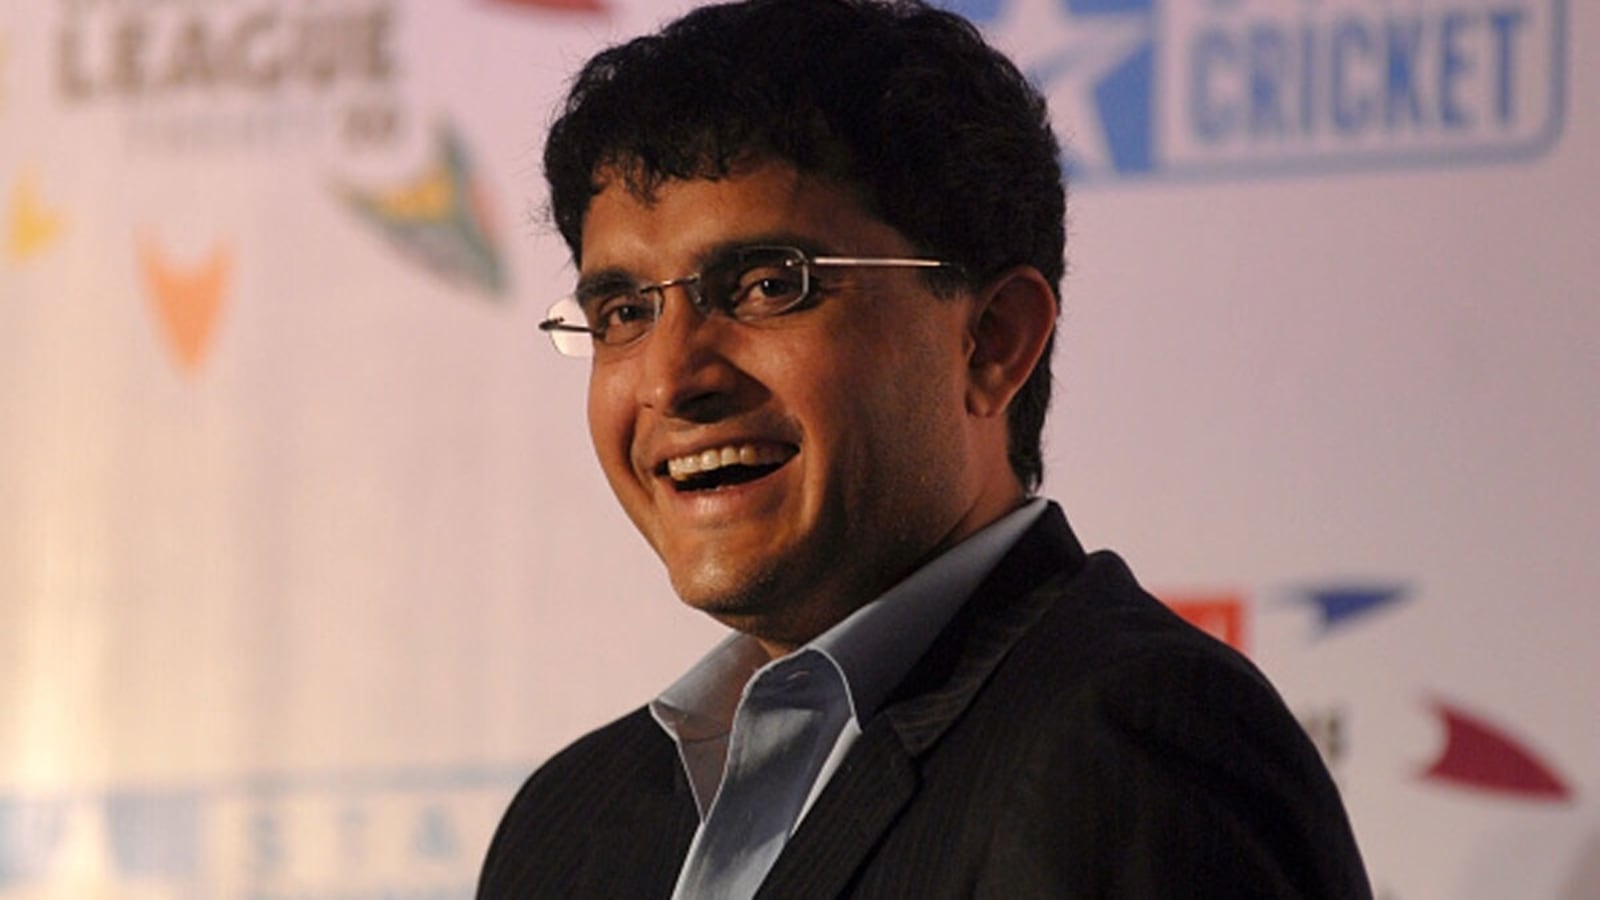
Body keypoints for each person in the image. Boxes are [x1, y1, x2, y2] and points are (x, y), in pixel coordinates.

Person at [478, 0, 1372, 896]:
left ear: (992, 342)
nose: (672, 378)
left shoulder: (1132, 749)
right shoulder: (568, 829)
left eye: (766, 286)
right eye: (624, 312)